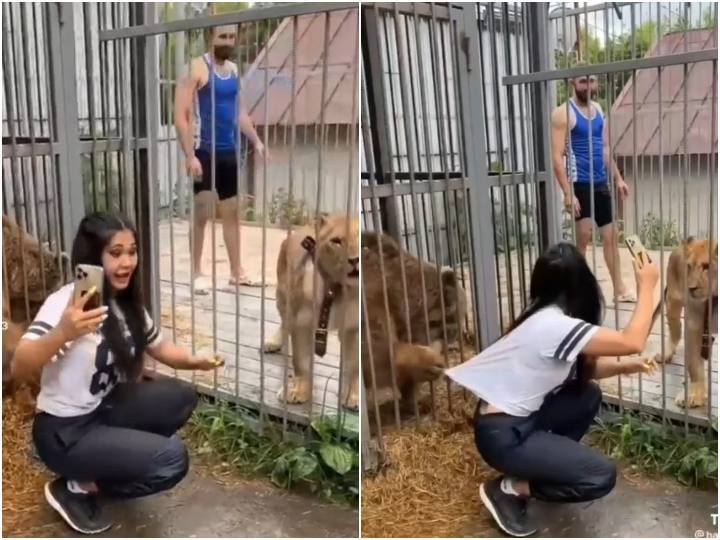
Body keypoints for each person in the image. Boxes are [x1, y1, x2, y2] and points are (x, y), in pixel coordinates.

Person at [11, 213, 223, 535]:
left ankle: (106, 461)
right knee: (171, 461)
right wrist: (64, 332)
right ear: (93, 257)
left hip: (102, 408)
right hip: (64, 431)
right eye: (115, 253)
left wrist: (198, 361)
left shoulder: (126, 303)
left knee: (180, 398)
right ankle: (76, 487)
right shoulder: (65, 303)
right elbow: (20, 363)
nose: (127, 262)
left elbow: (161, 349)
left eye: (132, 251)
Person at [445, 242, 659, 537]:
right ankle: (511, 489)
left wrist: (628, 366)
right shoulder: (553, 326)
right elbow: (632, 339)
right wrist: (647, 285)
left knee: (587, 395)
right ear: (582, 286)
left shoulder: (539, 316)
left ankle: (539, 467)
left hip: (514, 423)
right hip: (504, 436)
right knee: (599, 476)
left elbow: (580, 373)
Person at [174, 23, 266, 291]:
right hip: (203, 151)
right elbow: (181, 115)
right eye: (223, 36)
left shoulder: (234, 71)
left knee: (231, 214)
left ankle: (237, 271)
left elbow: (240, 112)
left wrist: (256, 141)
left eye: (232, 37)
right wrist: (189, 155)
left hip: (228, 152)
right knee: (202, 213)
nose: (228, 41)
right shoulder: (196, 68)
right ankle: (196, 273)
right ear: (210, 37)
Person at [551, 68, 635, 303]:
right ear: (572, 83)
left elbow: (605, 148)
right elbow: (557, 157)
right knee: (583, 239)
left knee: (610, 235)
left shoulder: (598, 110)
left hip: (600, 182)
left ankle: (619, 288)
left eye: (591, 80)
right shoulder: (563, 114)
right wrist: (568, 193)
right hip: (579, 183)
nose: (588, 85)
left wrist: (618, 178)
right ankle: (578, 291)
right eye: (582, 81)